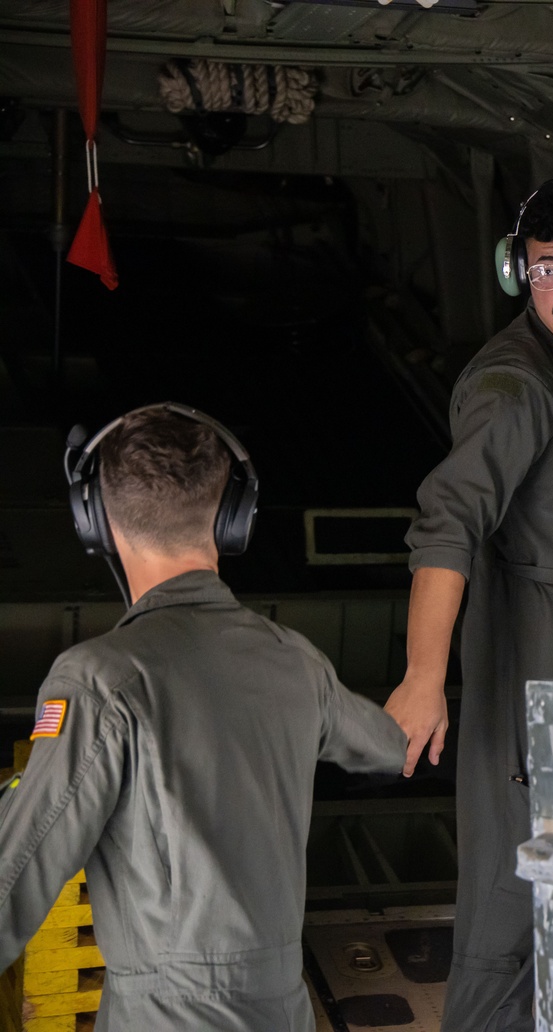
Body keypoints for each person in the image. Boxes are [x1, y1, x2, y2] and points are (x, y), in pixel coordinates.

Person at [0, 403, 406, 1031]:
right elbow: (391, 747)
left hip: (165, 1015)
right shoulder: (295, 659)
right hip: (283, 1009)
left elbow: (16, 875)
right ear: (231, 519)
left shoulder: (100, 679)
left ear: (96, 522)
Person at [385, 175, 553, 1031]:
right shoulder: (514, 386)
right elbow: (449, 523)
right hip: (527, 711)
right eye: (545, 270)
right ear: (519, 273)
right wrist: (423, 677)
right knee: (508, 927)